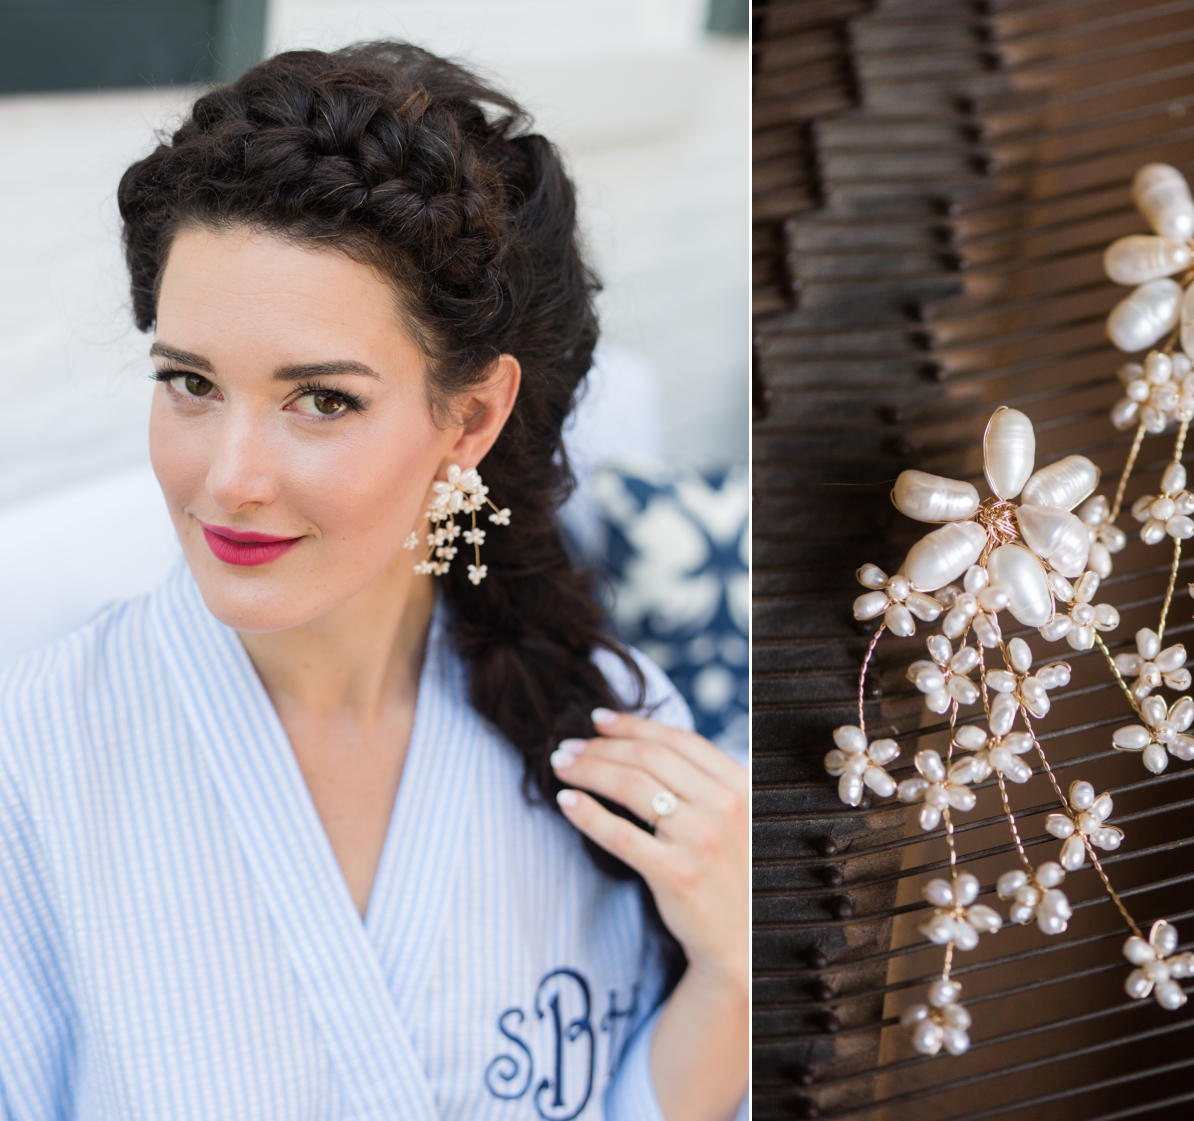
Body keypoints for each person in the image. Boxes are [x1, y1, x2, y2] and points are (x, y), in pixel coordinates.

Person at [0, 43, 747, 1121]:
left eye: (323, 400)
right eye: (190, 383)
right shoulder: (33, 760)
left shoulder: (608, 743)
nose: (229, 477)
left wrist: (730, 972)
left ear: (473, 415)